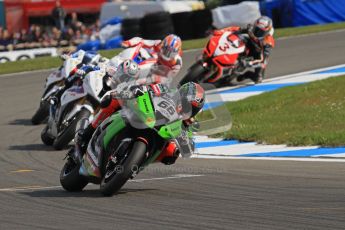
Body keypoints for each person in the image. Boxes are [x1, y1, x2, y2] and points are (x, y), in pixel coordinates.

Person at [213, 16, 275, 84]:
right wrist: (223, 33)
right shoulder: (251, 27)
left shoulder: (268, 42)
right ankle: (220, 54)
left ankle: (245, 74)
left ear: (266, 32)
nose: (257, 32)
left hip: (257, 54)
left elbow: (263, 60)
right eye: (256, 29)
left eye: (261, 32)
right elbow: (237, 30)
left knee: (258, 79)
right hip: (247, 43)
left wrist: (250, 63)